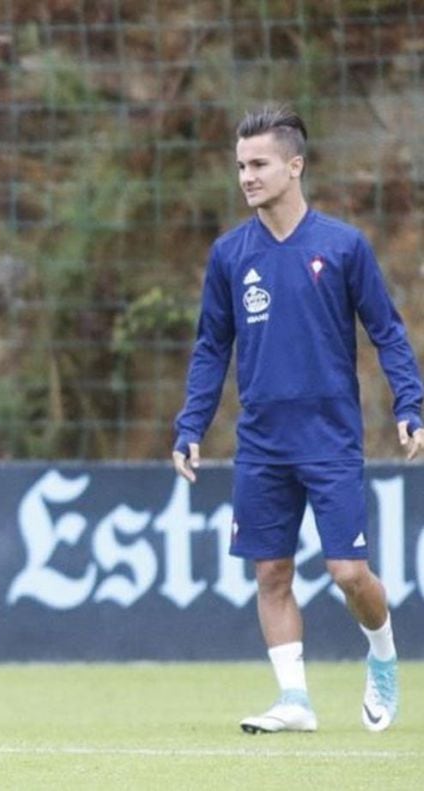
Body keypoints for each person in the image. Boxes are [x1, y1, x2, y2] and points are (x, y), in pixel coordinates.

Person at [172, 105, 421, 734]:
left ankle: (383, 655)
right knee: (271, 571)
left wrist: (410, 405)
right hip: (261, 441)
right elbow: (211, 346)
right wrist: (191, 424)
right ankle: (296, 701)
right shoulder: (230, 256)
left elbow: (388, 333)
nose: (247, 177)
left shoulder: (341, 246)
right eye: (239, 166)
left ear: (294, 165)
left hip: (331, 438)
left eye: (258, 164)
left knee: (348, 573)